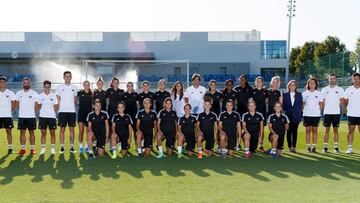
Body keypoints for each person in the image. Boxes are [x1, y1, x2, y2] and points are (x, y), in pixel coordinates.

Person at [320, 73, 344, 154]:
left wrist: (339, 109)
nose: (332, 80)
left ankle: (336, 148)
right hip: (327, 113)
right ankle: (325, 147)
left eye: (333, 78)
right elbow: (322, 102)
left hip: (336, 113)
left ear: (336, 79)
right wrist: (323, 110)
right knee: (326, 130)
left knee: (336, 130)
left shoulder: (340, 89)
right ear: (328, 79)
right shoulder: (324, 89)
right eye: (331, 78)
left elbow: (342, 102)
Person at [56, 71, 78, 154]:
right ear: (64, 77)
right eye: (66, 76)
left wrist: (71, 105)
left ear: (71, 77)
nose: (68, 78)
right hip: (62, 112)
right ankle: (62, 147)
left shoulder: (75, 87)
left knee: (72, 130)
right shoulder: (59, 87)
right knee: (62, 130)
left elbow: (75, 99)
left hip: (71, 112)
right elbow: (57, 97)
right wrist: (60, 106)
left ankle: (71, 147)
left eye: (69, 76)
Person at [16, 78, 38, 155]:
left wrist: (31, 112)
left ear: (30, 84)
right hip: (22, 117)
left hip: (31, 117)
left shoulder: (34, 93)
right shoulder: (18, 93)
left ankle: (32, 149)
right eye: (24, 83)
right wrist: (23, 111)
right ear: (23, 84)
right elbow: (18, 105)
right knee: (22, 133)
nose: (26, 84)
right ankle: (23, 149)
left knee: (32, 133)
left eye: (27, 83)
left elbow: (36, 106)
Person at [302, 77, 323, 153]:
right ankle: (308, 147)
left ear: (316, 84)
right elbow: (303, 104)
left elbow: (321, 104)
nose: (311, 84)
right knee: (307, 131)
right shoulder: (304, 93)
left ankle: (314, 147)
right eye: (310, 83)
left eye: (313, 83)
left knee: (315, 131)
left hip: (316, 115)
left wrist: (317, 112)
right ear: (308, 84)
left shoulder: (319, 93)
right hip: (307, 114)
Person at [38, 80, 58, 155]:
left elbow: (55, 106)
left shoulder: (54, 95)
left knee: (52, 133)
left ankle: (52, 148)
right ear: (43, 87)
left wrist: (51, 113)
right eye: (45, 87)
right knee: (43, 133)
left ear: (50, 87)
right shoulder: (40, 96)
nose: (47, 88)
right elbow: (39, 106)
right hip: (42, 117)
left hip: (52, 117)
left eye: (48, 87)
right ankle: (43, 148)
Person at [283, 80, 302, 153]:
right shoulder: (285, 95)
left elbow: (300, 106)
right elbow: (284, 106)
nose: (292, 86)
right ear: (289, 86)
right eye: (291, 85)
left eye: (294, 85)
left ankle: (294, 147)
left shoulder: (299, 95)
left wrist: (299, 114)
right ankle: (289, 147)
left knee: (295, 132)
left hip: (296, 116)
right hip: (288, 116)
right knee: (288, 132)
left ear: (296, 86)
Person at [250, 76, 268, 152]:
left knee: (261, 130)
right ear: (255, 82)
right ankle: (251, 145)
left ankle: (261, 145)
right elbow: (250, 102)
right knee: (252, 129)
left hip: (262, 113)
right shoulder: (252, 91)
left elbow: (267, 101)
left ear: (262, 82)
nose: (259, 82)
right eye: (258, 81)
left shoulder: (265, 91)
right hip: (253, 113)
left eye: (260, 81)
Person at [344, 72, 360, 154]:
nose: (356, 80)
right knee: (351, 130)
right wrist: (346, 110)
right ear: (352, 80)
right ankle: (349, 148)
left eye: (358, 79)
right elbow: (345, 101)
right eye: (355, 79)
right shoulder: (348, 89)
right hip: (352, 114)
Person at [0, 76, 16, 154]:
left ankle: (10, 148)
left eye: (4, 82)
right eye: (0, 82)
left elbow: (14, 104)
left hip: (7, 116)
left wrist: (10, 111)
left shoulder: (10, 93)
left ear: (6, 83)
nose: (2, 83)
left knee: (8, 132)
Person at [121, 81, 139, 149]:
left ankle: (136, 145)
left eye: (131, 85)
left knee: (135, 131)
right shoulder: (123, 95)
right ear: (126, 86)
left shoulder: (136, 94)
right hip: (125, 116)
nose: (129, 87)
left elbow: (139, 103)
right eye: (128, 85)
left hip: (134, 115)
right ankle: (125, 145)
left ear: (132, 87)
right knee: (126, 132)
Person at [77, 80, 93, 153]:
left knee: (88, 132)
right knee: (81, 131)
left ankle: (87, 146)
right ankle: (80, 146)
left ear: (89, 85)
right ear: (83, 85)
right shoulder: (80, 92)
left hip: (89, 115)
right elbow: (74, 99)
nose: (87, 86)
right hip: (81, 115)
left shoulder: (92, 93)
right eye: (85, 84)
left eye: (88, 84)